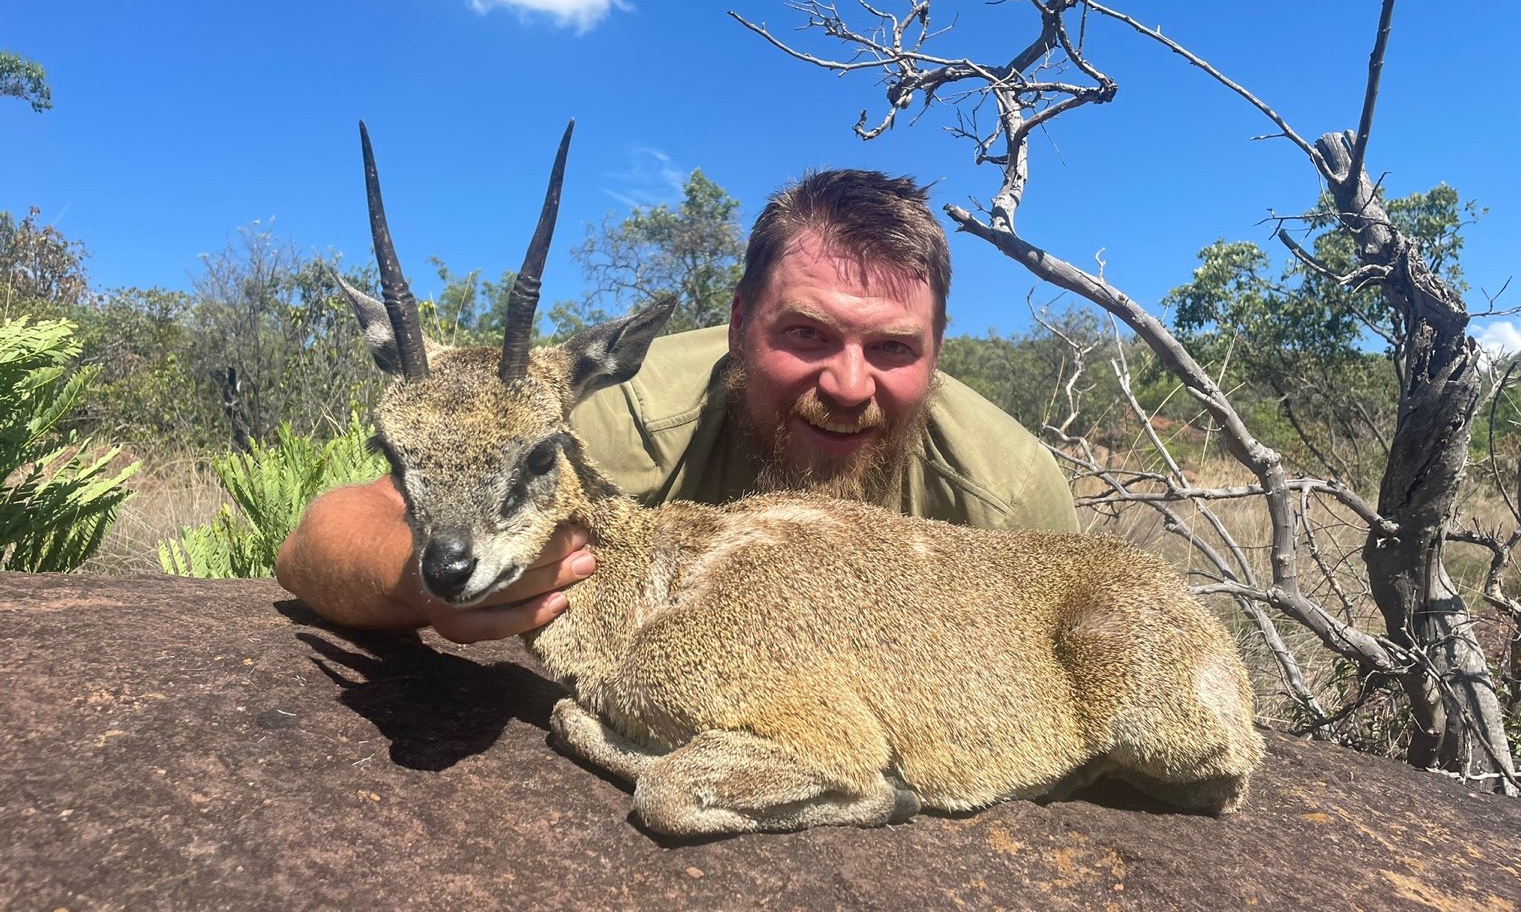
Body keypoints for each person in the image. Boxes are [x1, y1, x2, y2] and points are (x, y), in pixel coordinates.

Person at [275, 169, 1077, 643]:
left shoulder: (1006, 490)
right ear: (736, 324)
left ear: (939, 348)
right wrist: (427, 581)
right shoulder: (623, 424)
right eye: (806, 334)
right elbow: (321, 537)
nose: (848, 385)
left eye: (894, 348)